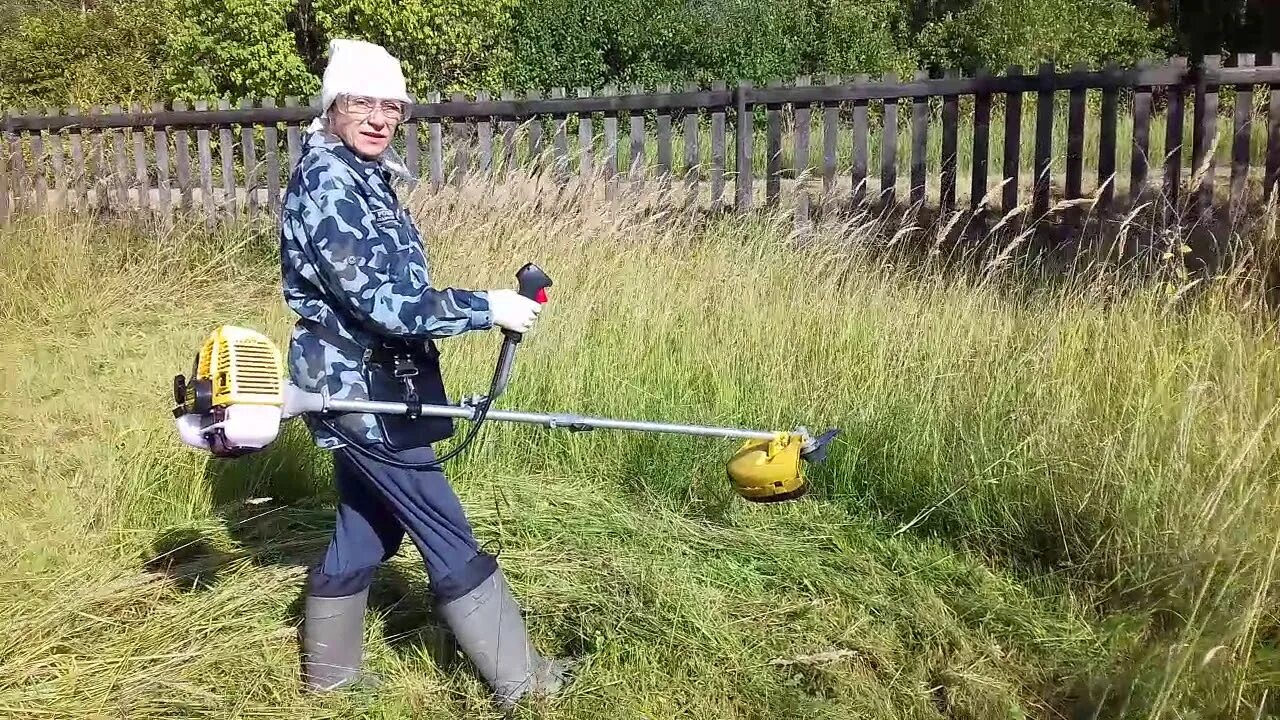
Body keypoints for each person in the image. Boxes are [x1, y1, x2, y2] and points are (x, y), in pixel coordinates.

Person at [277, 38, 574, 712]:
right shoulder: (329, 184)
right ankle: (525, 685)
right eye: (364, 102)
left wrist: (483, 308)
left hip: (379, 385)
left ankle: (330, 683)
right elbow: (380, 302)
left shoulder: (361, 174)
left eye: (394, 106)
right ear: (334, 106)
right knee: (444, 530)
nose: (381, 118)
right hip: (358, 391)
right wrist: (485, 306)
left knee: (366, 530)